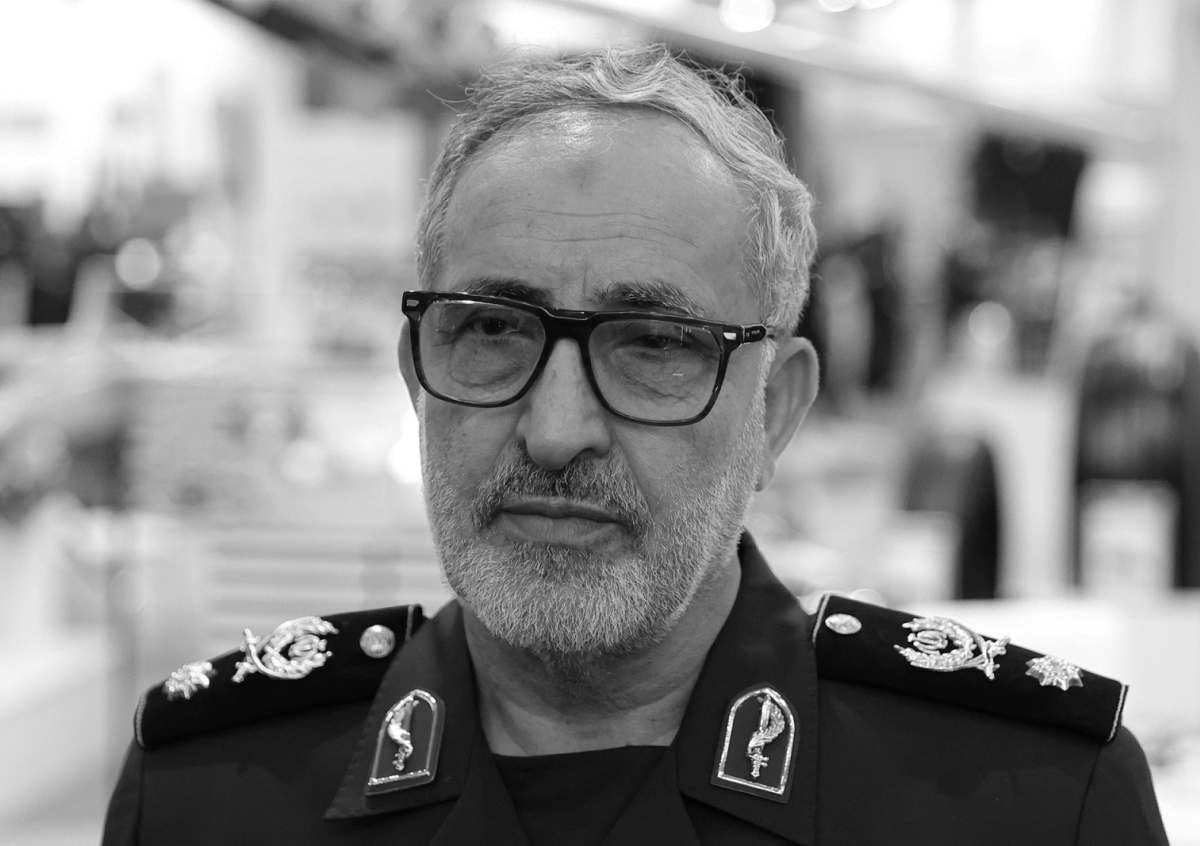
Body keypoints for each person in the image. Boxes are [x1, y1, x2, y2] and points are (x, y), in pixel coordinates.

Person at [102, 44, 1169, 845]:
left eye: (655, 344)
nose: (556, 430)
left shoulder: (1029, 802)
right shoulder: (208, 794)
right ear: (416, 373)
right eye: (492, 331)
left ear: (776, 410)